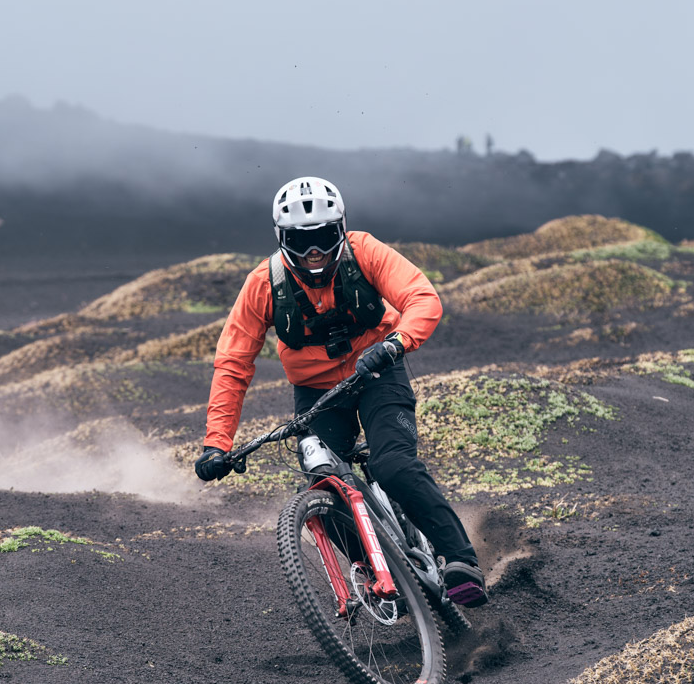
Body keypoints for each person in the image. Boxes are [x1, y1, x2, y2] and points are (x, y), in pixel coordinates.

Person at [193, 176, 487, 607]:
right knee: (323, 488)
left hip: (378, 373)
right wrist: (217, 445)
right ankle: (381, 576)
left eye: (325, 237)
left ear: (342, 229)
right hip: (316, 394)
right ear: (281, 238)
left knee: (393, 465)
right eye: (301, 240)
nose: (314, 251)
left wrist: (394, 345)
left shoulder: (365, 250)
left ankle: (462, 562)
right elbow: (233, 364)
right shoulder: (262, 284)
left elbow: (423, 299)